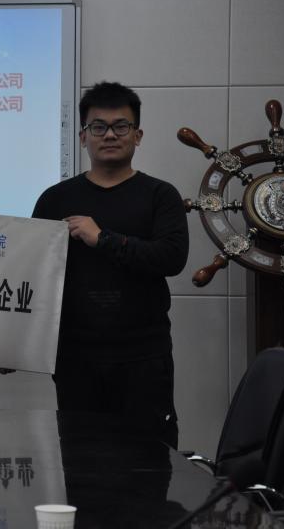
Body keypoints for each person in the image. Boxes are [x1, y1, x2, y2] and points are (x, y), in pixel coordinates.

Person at [32, 81, 188, 447]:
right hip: (75, 359)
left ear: (138, 135)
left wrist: (102, 238)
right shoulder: (55, 199)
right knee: (81, 463)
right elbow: (33, 276)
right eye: (98, 126)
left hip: (143, 358)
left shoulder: (160, 195)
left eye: (121, 126)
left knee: (150, 464)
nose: (110, 135)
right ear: (83, 136)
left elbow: (171, 257)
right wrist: (12, 343)